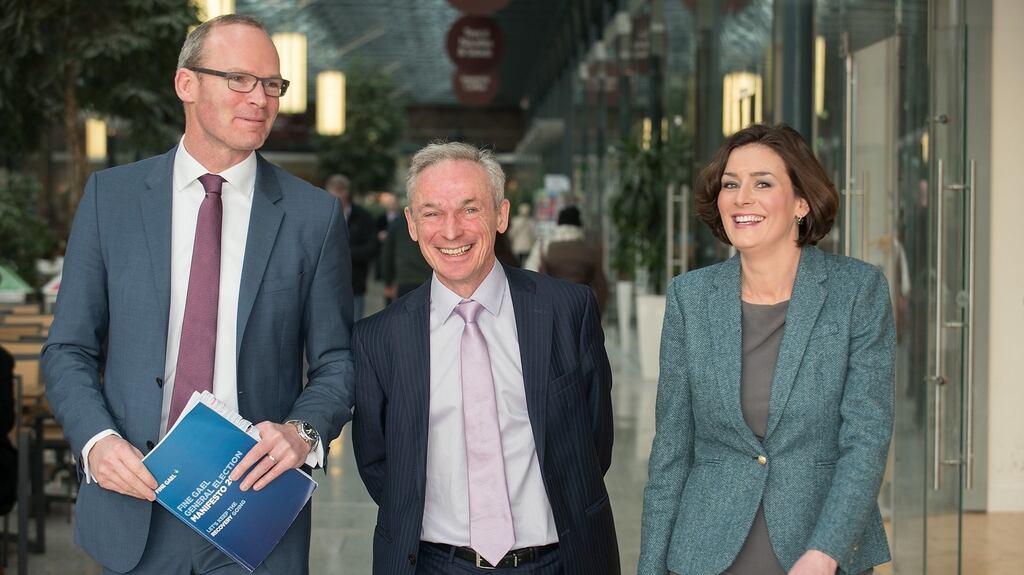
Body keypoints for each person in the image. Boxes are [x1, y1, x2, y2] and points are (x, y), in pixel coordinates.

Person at [42, 15, 355, 574]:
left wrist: (302, 432)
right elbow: (68, 349)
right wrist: (95, 442)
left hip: (255, 505)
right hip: (136, 497)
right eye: (239, 79)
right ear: (186, 84)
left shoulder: (314, 217)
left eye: (272, 84)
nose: (260, 98)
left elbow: (337, 360)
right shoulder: (110, 200)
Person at [638, 124, 894, 575]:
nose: (741, 197)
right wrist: (650, 567)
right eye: (730, 184)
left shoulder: (857, 291)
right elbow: (672, 450)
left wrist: (826, 551)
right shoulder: (690, 298)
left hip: (817, 553)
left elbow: (866, 440)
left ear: (801, 201)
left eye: (763, 183)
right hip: (705, 553)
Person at [353, 142, 619, 574]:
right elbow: (378, 464)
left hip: (560, 561)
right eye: (432, 212)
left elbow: (594, 443)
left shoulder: (567, 310)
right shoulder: (379, 338)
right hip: (434, 564)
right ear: (412, 224)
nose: (451, 231)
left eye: (470, 209)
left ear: (502, 215)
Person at [326, 174, 379, 321]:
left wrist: (345, 253)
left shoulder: (363, 217)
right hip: (327, 287)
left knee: (355, 330)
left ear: (346, 193)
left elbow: (372, 248)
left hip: (355, 285)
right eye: (332, 195)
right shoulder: (322, 216)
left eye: (339, 194)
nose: (336, 199)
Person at [537, 206, 608, 314]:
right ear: (579, 224)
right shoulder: (589, 249)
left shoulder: (547, 248)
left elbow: (540, 282)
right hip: (582, 307)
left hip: (556, 309)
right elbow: (601, 288)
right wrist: (598, 316)